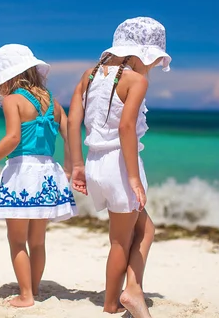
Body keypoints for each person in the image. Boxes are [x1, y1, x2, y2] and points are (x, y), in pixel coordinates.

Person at [67, 17, 171, 317]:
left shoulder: (89, 74)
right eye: (151, 60)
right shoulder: (136, 80)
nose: (150, 67)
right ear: (143, 53)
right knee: (119, 241)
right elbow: (126, 128)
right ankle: (114, 304)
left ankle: (133, 289)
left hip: (94, 162)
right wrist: (135, 180)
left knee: (145, 229)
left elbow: (74, 121)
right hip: (119, 167)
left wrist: (76, 165)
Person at [0, 44, 77, 308]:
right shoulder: (53, 102)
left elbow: (13, 138)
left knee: (16, 241)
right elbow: (69, 133)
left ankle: (26, 295)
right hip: (48, 173)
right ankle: (34, 288)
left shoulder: (12, 101)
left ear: (8, 77)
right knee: (37, 241)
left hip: (22, 173)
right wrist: (70, 167)